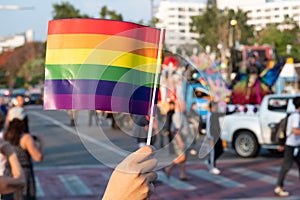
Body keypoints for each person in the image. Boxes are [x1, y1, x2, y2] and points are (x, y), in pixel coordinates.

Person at [3, 108, 44, 200]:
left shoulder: (6, 136)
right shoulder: (26, 138)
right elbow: (38, 157)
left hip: (8, 172)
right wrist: (41, 143)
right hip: (23, 173)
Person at [274, 97, 300, 197]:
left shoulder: (293, 114)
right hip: (291, 145)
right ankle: (279, 187)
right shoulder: (296, 116)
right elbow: (294, 130)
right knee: (286, 166)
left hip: (295, 145)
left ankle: (279, 186)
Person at [163, 100, 191, 181]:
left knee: (184, 157)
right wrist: (180, 141)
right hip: (179, 139)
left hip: (183, 139)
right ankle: (168, 168)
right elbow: (176, 130)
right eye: (184, 105)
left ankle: (182, 174)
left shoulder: (182, 115)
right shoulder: (177, 115)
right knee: (182, 157)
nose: (185, 107)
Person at [205, 101, 224, 175]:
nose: (216, 108)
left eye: (216, 106)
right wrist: (210, 138)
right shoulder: (210, 115)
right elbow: (208, 128)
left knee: (220, 150)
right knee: (213, 152)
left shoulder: (215, 114)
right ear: (210, 108)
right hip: (212, 137)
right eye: (214, 106)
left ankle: (209, 162)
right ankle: (212, 168)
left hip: (217, 136)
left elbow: (223, 114)